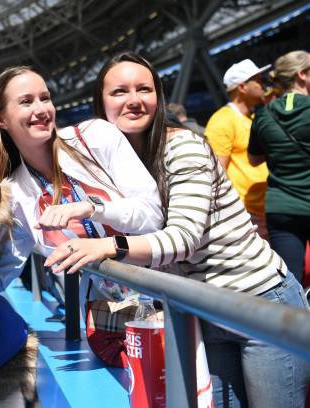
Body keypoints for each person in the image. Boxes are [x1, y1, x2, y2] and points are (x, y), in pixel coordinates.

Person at [45, 51, 310, 407]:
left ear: (159, 97)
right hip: (202, 312)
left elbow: (183, 239)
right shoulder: (113, 165)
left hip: (257, 302)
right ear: (101, 104)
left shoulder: (181, 146)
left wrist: (109, 246)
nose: (134, 100)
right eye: (119, 92)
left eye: (144, 89)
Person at [0, 66, 163, 296]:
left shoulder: (95, 136)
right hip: (101, 311)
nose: (41, 109)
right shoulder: (15, 193)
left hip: (163, 294)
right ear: (1, 119)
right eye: (26, 102)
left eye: (45, 98)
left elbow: (153, 215)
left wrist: (92, 209)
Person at [248, 50, 310, 286]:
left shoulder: (263, 115)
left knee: (291, 281)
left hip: (280, 208)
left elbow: (254, 159)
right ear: (302, 74)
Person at [204, 59, 270, 238]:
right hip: (247, 214)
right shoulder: (222, 121)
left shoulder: (253, 117)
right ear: (242, 87)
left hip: (265, 209)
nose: (264, 84)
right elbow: (217, 173)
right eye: (258, 80)